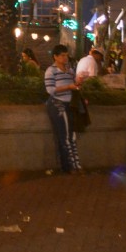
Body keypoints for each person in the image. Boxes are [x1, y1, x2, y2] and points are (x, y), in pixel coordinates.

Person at [43, 44, 82, 174]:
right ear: (55, 56)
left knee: (72, 135)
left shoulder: (69, 70)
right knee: (65, 135)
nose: (65, 58)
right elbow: (50, 90)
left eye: (66, 55)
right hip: (57, 104)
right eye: (62, 55)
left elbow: (74, 85)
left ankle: (75, 164)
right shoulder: (51, 71)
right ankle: (69, 165)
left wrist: (78, 84)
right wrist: (68, 87)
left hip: (69, 103)